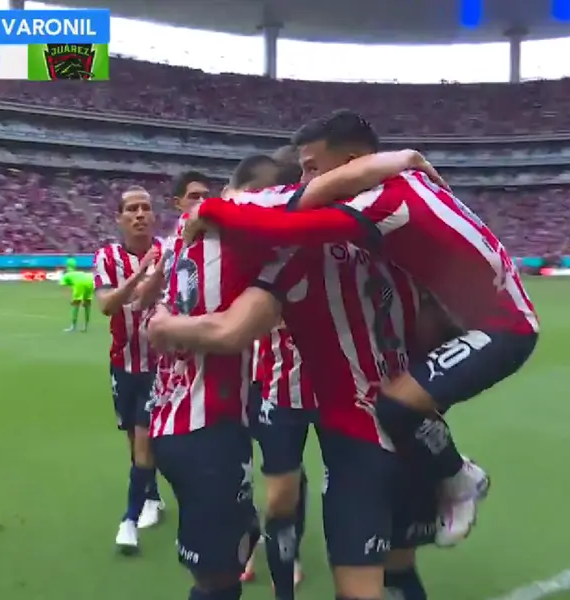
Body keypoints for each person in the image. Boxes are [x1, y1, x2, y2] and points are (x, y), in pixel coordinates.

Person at [185, 110, 539, 547]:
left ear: (352, 160)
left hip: (502, 326)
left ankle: (459, 479)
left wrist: (211, 210)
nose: (306, 178)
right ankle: (422, 509)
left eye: (313, 167)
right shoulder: (400, 184)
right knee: (397, 410)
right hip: (459, 321)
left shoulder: (385, 203)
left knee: (397, 407)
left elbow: (283, 223)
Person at [150, 171, 455, 600]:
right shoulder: (265, 238)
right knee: (281, 501)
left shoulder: (336, 235)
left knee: (386, 543)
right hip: (281, 386)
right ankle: (283, 583)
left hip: (351, 393)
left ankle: (450, 476)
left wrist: (165, 321)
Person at [143, 160, 306, 600]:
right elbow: (230, 333)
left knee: (234, 547)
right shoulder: (242, 238)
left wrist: (162, 322)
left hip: (174, 420)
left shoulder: (183, 229)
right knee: (218, 582)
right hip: (207, 427)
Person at [91, 186, 166, 552]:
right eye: (131, 209)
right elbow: (107, 305)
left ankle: (130, 519)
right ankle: (152, 495)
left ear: (154, 216)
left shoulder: (170, 252)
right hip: (123, 364)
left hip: (161, 366)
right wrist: (140, 272)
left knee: (144, 443)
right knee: (133, 441)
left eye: (145, 208)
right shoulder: (106, 257)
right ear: (120, 219)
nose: (139, 214)